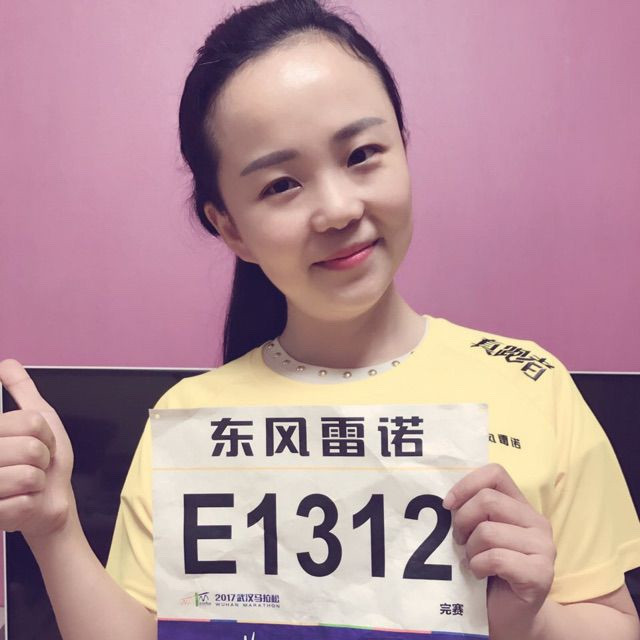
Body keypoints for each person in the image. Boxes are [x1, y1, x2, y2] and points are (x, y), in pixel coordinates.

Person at [0, 0, 639, 638]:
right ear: (230, 226)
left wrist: (528, 618)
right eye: (281, 184)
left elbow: (615, 623)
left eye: (362, 153)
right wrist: (54, 530)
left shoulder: (530, 383)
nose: (337, 209)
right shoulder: (191, 422)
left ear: (403, 146)